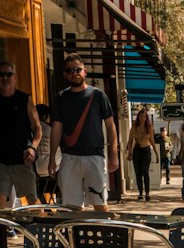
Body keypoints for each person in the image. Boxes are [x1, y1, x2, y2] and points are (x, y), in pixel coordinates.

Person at [48, 54, 118, 214]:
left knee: (100, 204)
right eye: (70, 70)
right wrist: (53, 158)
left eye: (77, 69)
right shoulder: (61, 98)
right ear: (65, 74)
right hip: (69, 158)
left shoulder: (98, 95)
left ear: (85, 72)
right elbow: (56, 128)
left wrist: (113, 154)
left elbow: (110, 126)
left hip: (95, 157)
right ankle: (76, 239)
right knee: (71, 208)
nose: (74, 73)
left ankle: (108, 236)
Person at [0, 61, 42, 209]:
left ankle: (41, 231)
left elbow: (37, 127)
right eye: (1, 74)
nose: (5, 78)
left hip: (22, 158)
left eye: (8, 74)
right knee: (2, 204)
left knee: (32, 200)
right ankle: (7, 231)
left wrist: (33, 147)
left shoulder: (25, 99)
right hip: (1, 161)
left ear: (15, 77)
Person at [126, 105, 157, 202]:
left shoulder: (149, 127)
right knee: (138, 172)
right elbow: (130, 140)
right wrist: (130, 151)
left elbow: (152, 140)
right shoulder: (134, 127)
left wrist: (156, 153)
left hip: (146, 150)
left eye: (144, 116)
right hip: (137, 150)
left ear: (146, 117)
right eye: (140, 116)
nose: (142, 118)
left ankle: (147, 193)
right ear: (138, 117)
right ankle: (140, 192)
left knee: (145, 172)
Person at [34, 104, 60, 203]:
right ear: (46, 116)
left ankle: (46, 200)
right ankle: (58, 200)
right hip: (52, 170)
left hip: (36, 170)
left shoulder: (30, 128)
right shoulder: (51, 128)